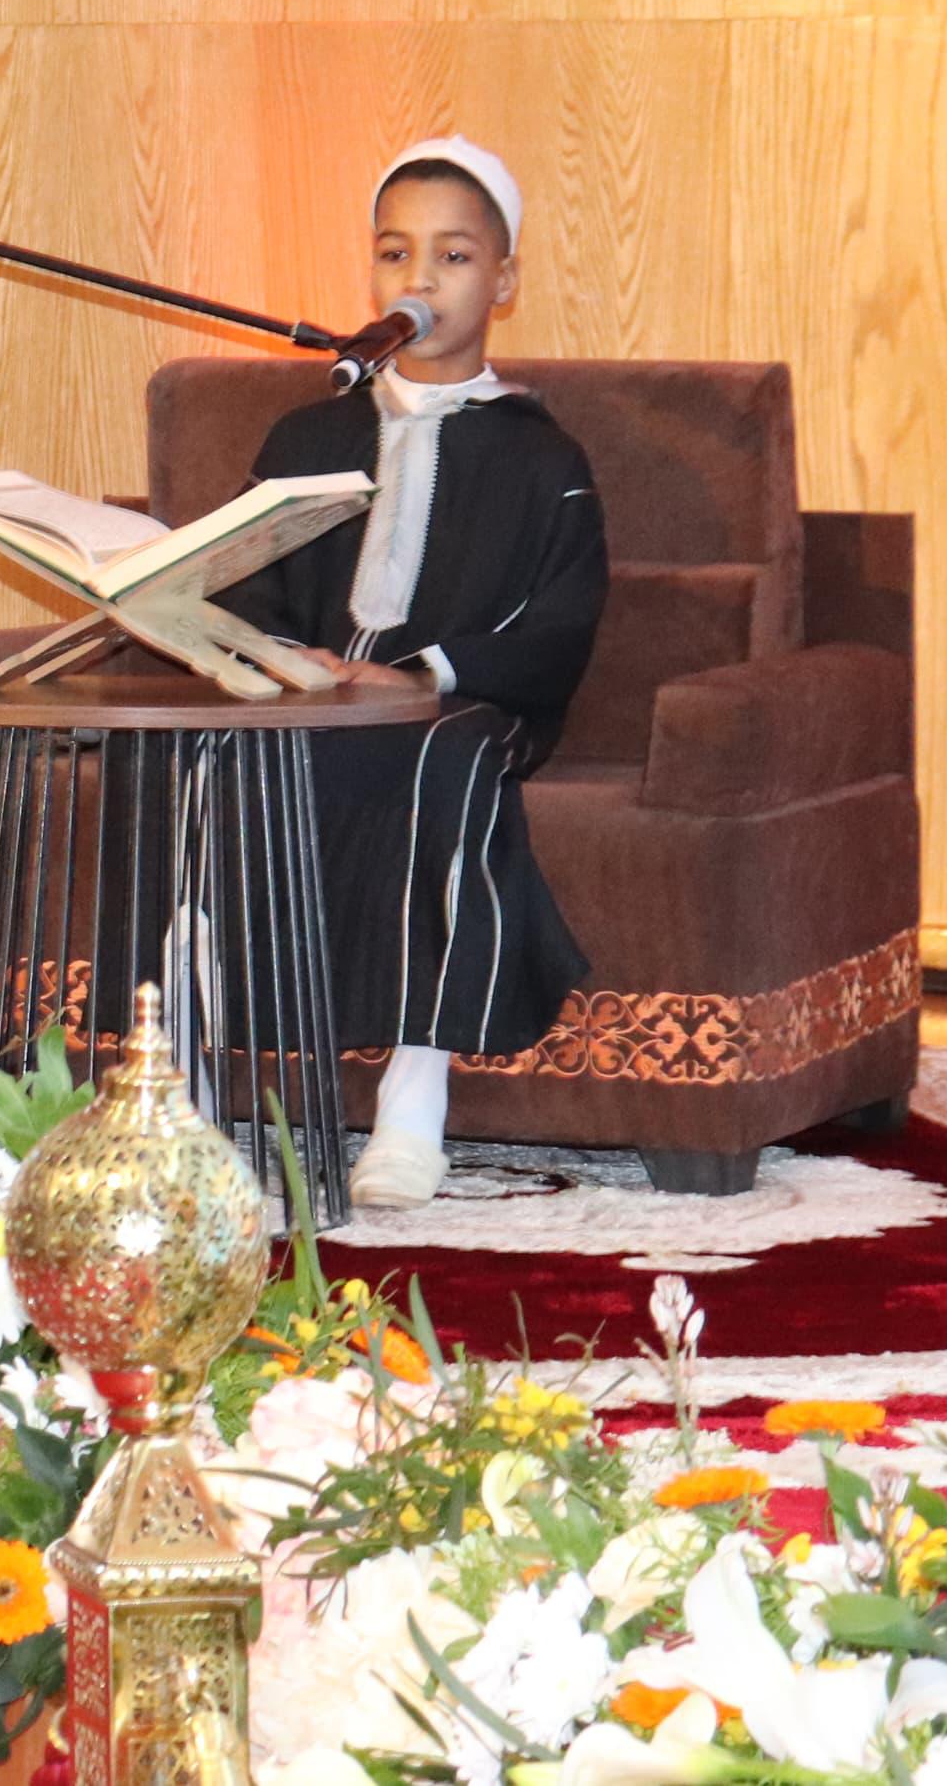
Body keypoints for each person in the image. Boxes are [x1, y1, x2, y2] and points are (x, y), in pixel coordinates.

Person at [212, 138, 607, 1212]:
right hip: (310, 702)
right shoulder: (307, 434)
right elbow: (241, 581)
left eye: (452, 256)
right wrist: (286, 663)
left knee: (439, 754)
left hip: (464, 703)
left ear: (503, 281)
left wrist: (421, 672)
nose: (418, 278)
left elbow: (557, 624)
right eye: (395, 253)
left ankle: (412, 1094)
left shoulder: (542, 457)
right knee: (208, 753)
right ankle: (195, 1092)